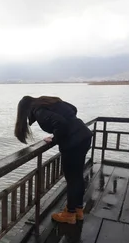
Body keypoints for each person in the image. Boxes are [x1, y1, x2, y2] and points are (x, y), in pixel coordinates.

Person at [14, 96, 92, 224]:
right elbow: (73, 109)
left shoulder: (38, 111)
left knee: (72, 179)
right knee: (77, 176)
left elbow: (60, 123)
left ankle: (70, 214)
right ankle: (78, 210)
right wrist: (67, 127)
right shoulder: (48, 102)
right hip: (83, 136)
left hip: (73, 143)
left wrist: (55, 138)